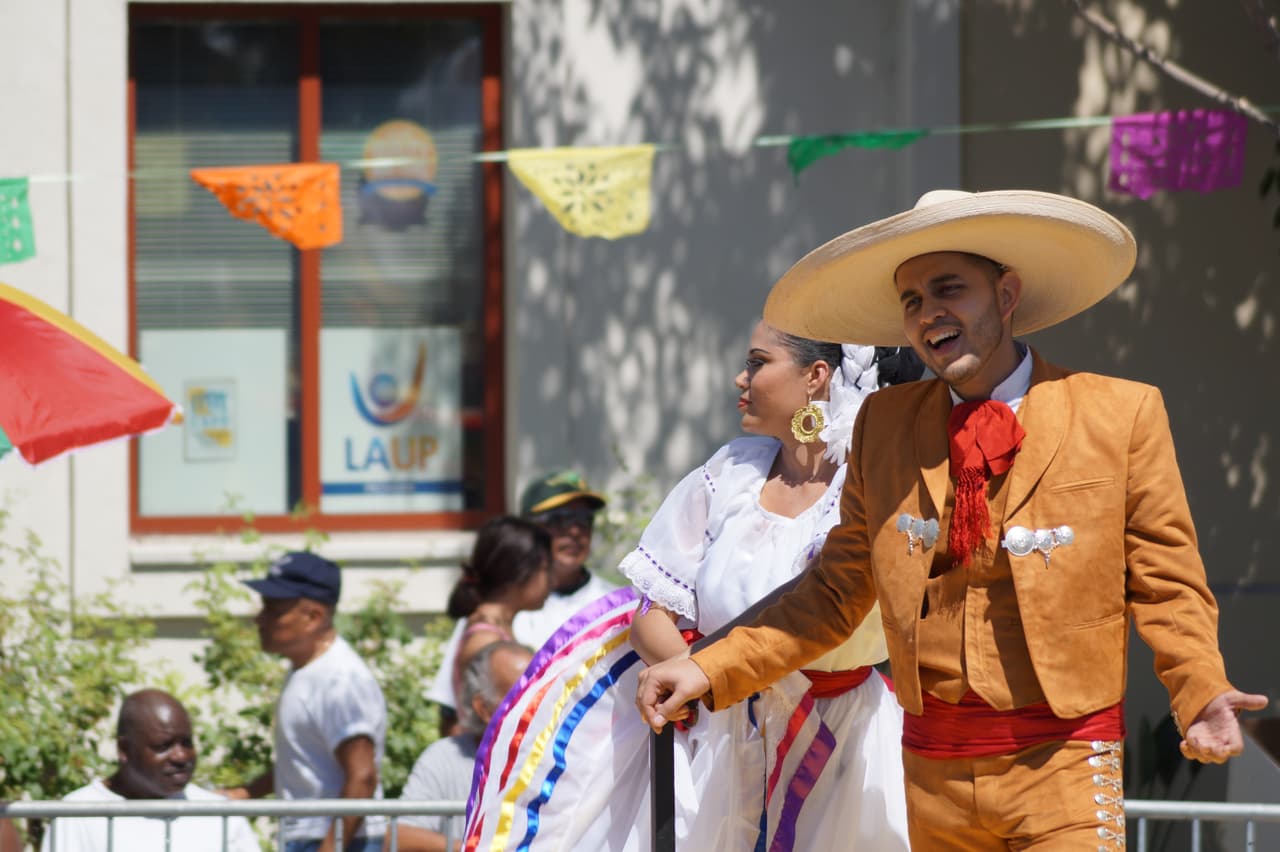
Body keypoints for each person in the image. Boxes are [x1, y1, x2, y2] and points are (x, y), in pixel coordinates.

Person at [637, 189, 1270, 850]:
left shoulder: (1120, 413)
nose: (928, 313)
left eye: (949, 289)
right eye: (911, 300)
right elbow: (833, 593)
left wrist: (1201, 690)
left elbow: (1165, 580)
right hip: (931, 776)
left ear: (1006, 294)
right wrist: (711, 665)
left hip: (1063, 768)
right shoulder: (885, 426)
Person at [464, 325, 923, 850]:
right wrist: (703, 679)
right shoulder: (732, 472)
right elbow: (651, 612)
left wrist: (725, 674)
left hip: (840, 740)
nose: (740, 377)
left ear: (816, 377)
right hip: (720, 738)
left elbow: (844, 616)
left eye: (757, 362)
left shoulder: (868, 487)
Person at [223, 551, 388, 852]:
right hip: (316, 837)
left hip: (336, 840)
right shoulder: (309, 670)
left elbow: (362, 777)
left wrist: (329, 848)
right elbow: (307, 763)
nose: (259, 618)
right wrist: (246, 792)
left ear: (313, 617)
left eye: (273, 609)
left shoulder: (339, 679)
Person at [426, 474, 616, 733]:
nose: (574, 531)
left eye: (585, 520)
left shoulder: (617, 604)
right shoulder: (490, 617)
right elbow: (454, 716)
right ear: (528, 533)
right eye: (558, 519)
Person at [41, 690, 258, 852]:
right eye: (163, 746)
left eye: (187, 742)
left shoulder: (219, 813)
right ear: (124, 749)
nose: (181, 757)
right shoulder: (76, 814)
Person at [388, 641, 534, 852]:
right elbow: (400, 838)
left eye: (542, 690)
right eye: (521, 695)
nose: (536, 703)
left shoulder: (563, 752)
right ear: (483, 708)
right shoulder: (444, 758)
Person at [441, 517, 551, 709]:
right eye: (546, 569)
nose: (552, 580)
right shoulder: (484, 639)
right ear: (520, 571)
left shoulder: (494, 628)